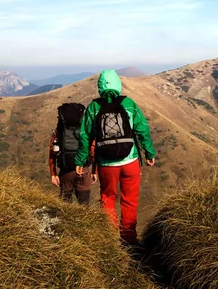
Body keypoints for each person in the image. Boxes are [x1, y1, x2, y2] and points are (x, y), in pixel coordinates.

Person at [75, 70, 156, 245]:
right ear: (118, 84)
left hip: (106, 163)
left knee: (108, 198)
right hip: (131, 160)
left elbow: (85, 136)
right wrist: (150, 153)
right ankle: (129, 240)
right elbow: (143, 129)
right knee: (129, 201)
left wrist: (80, 160)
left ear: (100, 87)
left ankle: (111, 240)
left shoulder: (93, 107)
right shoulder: (129, 104)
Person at [48, 104, 97, 204]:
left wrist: (53, 174)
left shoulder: (58, 133)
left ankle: (64, 220)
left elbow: (52, 153)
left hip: (66, 172)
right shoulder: (86, 131)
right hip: (83, 170)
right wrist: (94, 172)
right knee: (84, 205)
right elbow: (93, 151)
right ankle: (85, 219)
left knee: (65, 205)